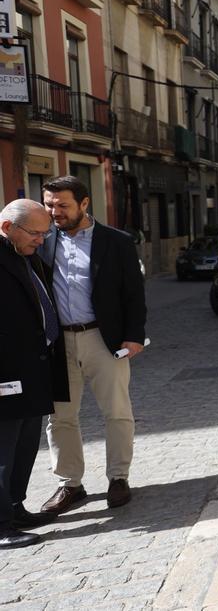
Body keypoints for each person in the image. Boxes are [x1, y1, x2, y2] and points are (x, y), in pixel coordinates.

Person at [38, 176, 146, 514]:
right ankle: (70, 484)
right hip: (58, 343)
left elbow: (134, 294)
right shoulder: (42, 240)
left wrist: (134, 335)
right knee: (60, 417)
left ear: (85, 204)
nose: (55, 211)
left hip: (104, 338)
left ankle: (118, 477)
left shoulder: (116, 242)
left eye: (62, 205)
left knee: (116, 410)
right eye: (49, 204)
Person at [0, 200, 66, 548]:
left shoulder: (24, 255)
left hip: (32, 370)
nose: (42, 240)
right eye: (36, 233)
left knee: (24, 447)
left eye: (45, 233)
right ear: (9, 227)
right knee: (2, 453)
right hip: (6, 374)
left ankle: (14, 506)